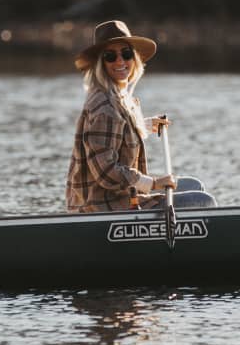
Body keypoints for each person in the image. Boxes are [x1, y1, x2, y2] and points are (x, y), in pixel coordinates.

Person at [66, 19, 216, 213]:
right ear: (100, 64)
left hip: (120, 197)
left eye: (126, 54)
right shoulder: (104, 107)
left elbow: (115, 133)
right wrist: (153, 183)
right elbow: (106, 172)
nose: (120, 61)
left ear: (134, 58)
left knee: (195, 186)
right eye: (110, 56)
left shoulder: (115, 95)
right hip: (103, 206)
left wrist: (142, 125)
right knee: (203, 201)